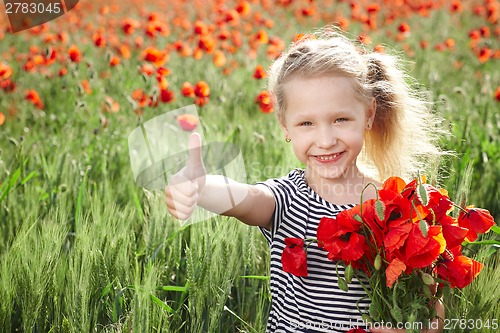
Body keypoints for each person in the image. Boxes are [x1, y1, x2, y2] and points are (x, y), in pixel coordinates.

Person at [165, 27, 446, 333]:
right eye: (307, 123)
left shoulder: (395, 207)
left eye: (340, 119)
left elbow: (431, 306)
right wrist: (201, 188)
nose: (325, 140)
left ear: (368, 113)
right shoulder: (288, 199)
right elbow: (245, 199)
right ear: (285, 126)